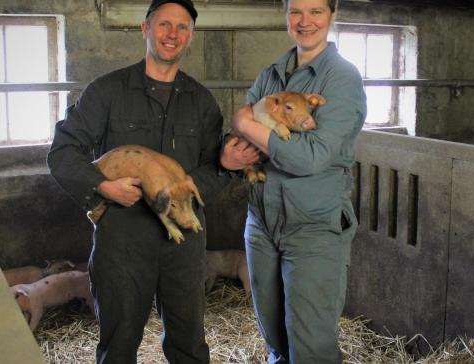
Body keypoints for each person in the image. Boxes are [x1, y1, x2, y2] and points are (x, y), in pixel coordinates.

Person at [47, 0, 257, 362]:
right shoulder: (107, 92)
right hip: (122, 240)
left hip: (184, 242)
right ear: (146, 29)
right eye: (164, 25)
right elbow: (63, 152)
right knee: (119, 343)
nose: (172, 34)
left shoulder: (202, 102)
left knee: (189, 345)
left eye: (182, 28)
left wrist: (227, 165)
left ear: (190, 37)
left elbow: (212, 172)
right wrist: (102, 187)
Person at [221, 0, 367, 362]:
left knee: (310, 345)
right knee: (275, 338)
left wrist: (247, 125)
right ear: (285, 15)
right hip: (262, 223)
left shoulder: (341, 78)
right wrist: (230, 150)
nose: (305, 21)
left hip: (314, 225)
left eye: (316, 11)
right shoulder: (272, 73)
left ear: (332, 15)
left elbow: (310, 157)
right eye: (295, 11)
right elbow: (238, 142)